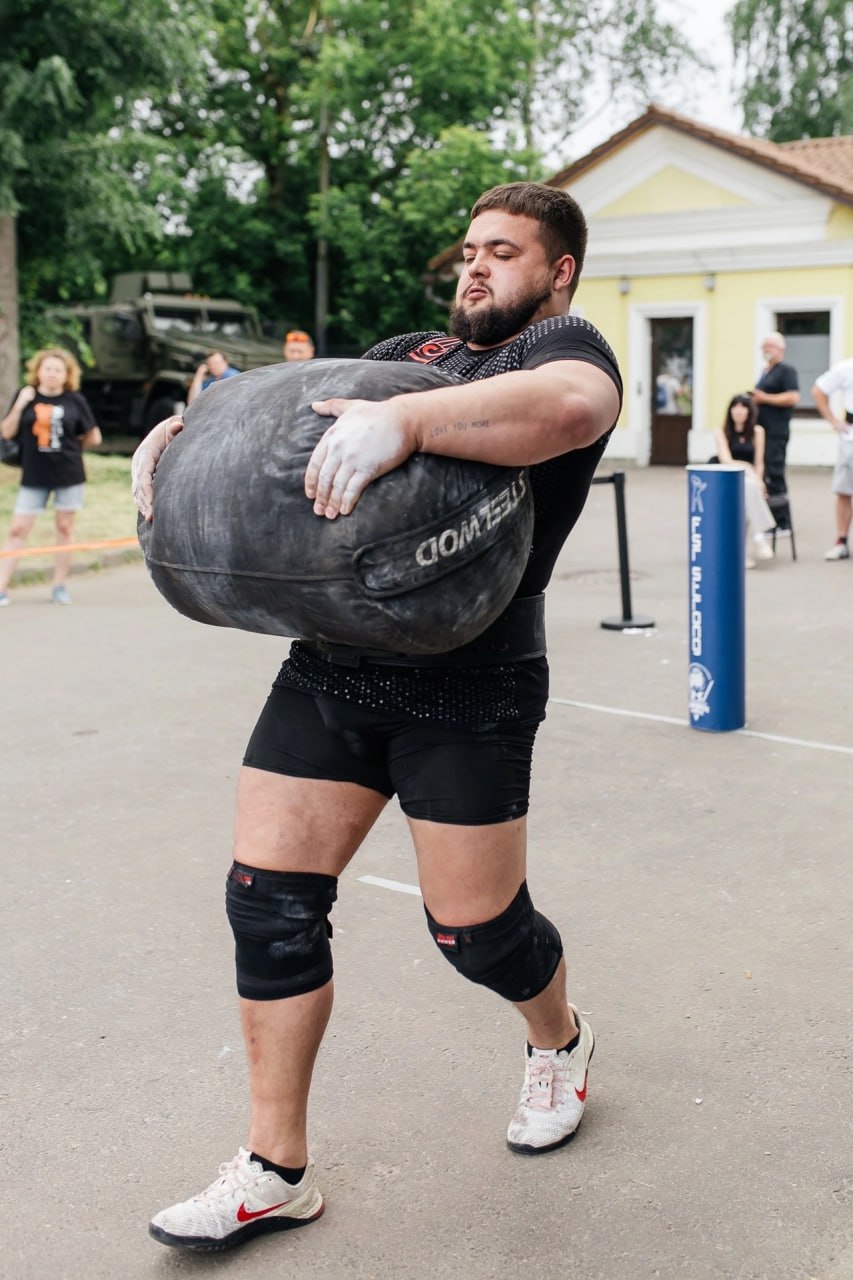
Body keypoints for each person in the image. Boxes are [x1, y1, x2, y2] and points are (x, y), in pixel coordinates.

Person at [132, 181, 622, 1254]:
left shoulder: (559, 351)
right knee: (265, 902)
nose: (476, 267)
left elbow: (576, 411)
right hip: (334, 662)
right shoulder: (412, 347)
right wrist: (186, 445)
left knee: (477, 933)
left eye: (504, 251)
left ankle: (561, 1040)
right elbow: (282, 428)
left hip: (474, 678)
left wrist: (405, 421)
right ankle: (275, 1166)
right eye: (468, 251)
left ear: (558, 273)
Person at [0, 348, 102, 607]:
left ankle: (59, 585)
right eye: (48, 368)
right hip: (34, 474)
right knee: (18, 528)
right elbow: (7, 431)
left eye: (58, 369)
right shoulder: (26, 396)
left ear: (67, 374)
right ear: (38, 371)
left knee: (65, 528)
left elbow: (94, 437)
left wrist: (75, 445)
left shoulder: (75, 401)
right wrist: (22, 402)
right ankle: (1, 587)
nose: (52, 374)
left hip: (69, 473)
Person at [713, 393, 776, 568]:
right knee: (747, 486)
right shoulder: (721, 433)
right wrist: (748, 469)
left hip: (751, 483)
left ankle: (742, 552)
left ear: (749, 411)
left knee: (747, 492)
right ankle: (759, 536)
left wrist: (760, 482)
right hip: (727, 480)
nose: (739, 411)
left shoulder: (757, 432)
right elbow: (726, 460)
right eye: (735, 407)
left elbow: (759, 463)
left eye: (743, 407)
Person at [751, 332, 799, 532]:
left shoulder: (786, 371)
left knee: (775, 474)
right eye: (763, 346)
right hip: (762, 431)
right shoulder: (765, 371)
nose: (765, 350)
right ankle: (769, 518)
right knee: (765, 474)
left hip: (776, 431)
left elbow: (793, 397)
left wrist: (764, 398)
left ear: (780, 348)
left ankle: (783, 522)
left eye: (769, 346)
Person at [811, 357, 853, 561]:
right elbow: (818, 390)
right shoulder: (846, 368)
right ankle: (842, 541)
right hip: (850, 440)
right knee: (844, 490)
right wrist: (834, 422)